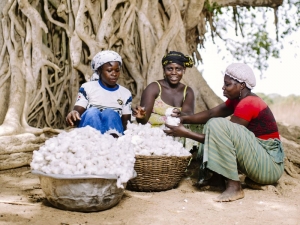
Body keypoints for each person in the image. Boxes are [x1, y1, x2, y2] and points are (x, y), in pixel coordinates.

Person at [163, 63, 285, 202]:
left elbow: (223, 139)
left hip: (269, 167)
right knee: (212, 122)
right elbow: (212, 113)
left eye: (227, 84)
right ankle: (217, 179)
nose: (223, 87)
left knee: (217, 124)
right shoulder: (238, 100)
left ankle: (234, 187)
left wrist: (185, 133)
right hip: (261, 162)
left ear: (242, 86)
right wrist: (183, 118)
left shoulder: (249, 103)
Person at [132, 51, 201, 150]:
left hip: (176, 136)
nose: (174, 73)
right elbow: (143, 120)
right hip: (152, 137)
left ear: (184, 70)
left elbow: (189, 116)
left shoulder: (188, 92)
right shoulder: (154, 88)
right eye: (169, 69)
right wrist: (141, 116)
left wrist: (181, 114)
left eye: (178, 69)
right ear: (164, 70)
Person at [66, 50, 132, 137]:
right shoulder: (88, 88)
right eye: (109, 70)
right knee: (92, 112)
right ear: (99, 71)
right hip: (89, 135)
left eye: (117, 70)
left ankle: (111, 142)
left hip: (114, 136)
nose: (114, 74)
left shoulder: (125, 93)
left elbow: (126, 124)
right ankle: (93, 141)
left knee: (110, 113)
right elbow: (77, 113)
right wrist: (73, 114)